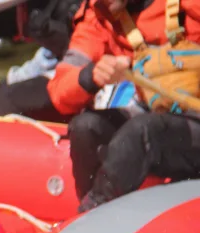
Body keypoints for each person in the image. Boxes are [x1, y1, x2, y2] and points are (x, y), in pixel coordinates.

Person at [48, 0, 200, 211]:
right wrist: (89, 76)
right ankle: (93, 210)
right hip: (161, 122)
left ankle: (91, 218)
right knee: (85, 127)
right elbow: (59, 90)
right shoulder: (100, 15)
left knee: (142, 131)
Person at [0, 0, 86, 122]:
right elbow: (49, 56)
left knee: (2, 101)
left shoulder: (89, 11)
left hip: (91, 82)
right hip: (73, 74)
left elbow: (81, 59)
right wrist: (2, 84)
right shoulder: (53, 14)